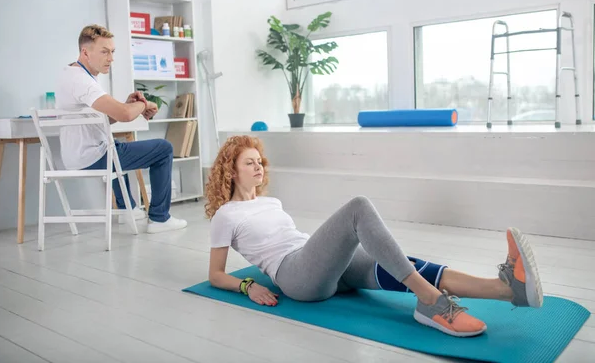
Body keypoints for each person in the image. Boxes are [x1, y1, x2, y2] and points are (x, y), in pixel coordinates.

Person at [205, 135, 543, 338]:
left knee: (401, 263)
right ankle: (429, 300)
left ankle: (507, 290)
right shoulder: (226, 215)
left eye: (259, 161)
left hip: (318, 260)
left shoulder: (271, 201)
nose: (259, 167)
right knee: (358, 208)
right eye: (249, 163)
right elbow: (215, 275)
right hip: (297, 277)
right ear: (231, 171)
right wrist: (249, 286)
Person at [55, 24, 187, 233]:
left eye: (112, 52)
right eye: (104, 52)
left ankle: (129, 209)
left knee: (116, 145)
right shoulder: (82, 81)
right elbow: (124, 115)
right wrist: (145, 104)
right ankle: (160, 219)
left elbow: (107, 119)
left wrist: (126, 104)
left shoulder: (75, 73)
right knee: (164, 149)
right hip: (90, 157)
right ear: (85, 52)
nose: (111, 58)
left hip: (81, 155)